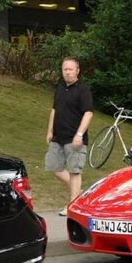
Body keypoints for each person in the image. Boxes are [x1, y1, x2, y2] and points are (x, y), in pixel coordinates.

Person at [45, 57, 93, 216]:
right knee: (53, 167)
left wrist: (79, 134)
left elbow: (88, 113)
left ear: (77, 71)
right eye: (65, 69)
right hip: (58, 137)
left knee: (74, 171)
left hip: (75, 138)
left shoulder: (83, 89)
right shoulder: (59, 88)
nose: (67, 72)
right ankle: (80, 193)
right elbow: (54, 110)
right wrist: (50, 131)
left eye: (70, 69)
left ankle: (73, 205)